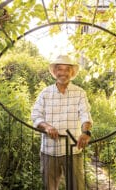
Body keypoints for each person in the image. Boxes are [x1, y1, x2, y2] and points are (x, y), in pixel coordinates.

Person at [31, 55, 93, 190]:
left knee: (77, 187)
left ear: (72, 73)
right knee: (49, 187)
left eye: (67, 70)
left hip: (72, 149)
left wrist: (85, 132)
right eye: (60, 69)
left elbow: (85, 114)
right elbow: (35, 115)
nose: (63, 73)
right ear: (55, 72)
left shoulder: (80, 92)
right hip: (49, 149)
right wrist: (47, 127)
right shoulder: (45, 93)